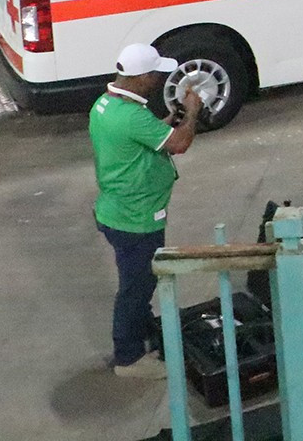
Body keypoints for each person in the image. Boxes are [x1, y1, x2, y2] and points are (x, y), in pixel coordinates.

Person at [91, 43, 203, 377]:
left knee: (138, 283)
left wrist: (173, 118)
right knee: (136, 289)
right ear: (141, 77)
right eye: (154, 74)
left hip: (114, 211)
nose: (158, 79)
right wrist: (192, 113)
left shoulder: (106, 105)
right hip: (136, 219)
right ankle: (128, 359)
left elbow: (149, 134)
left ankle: (145, 335)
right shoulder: (131, 117)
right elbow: (179, 143)